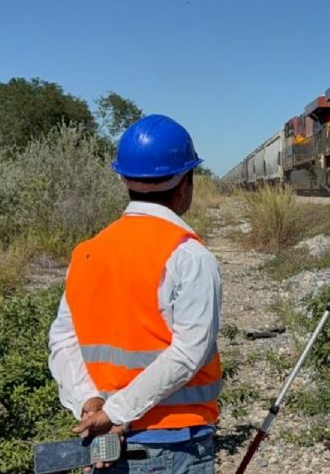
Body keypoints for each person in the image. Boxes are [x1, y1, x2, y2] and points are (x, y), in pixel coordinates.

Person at [48, 114, 222, 473]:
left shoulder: (87, 253)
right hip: (174, 446)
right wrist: (114, 412)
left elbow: (63, 339)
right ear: (185, 184)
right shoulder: (188, 255)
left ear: (124, 179)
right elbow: (189, 353)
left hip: (106, 444)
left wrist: (91, 402)